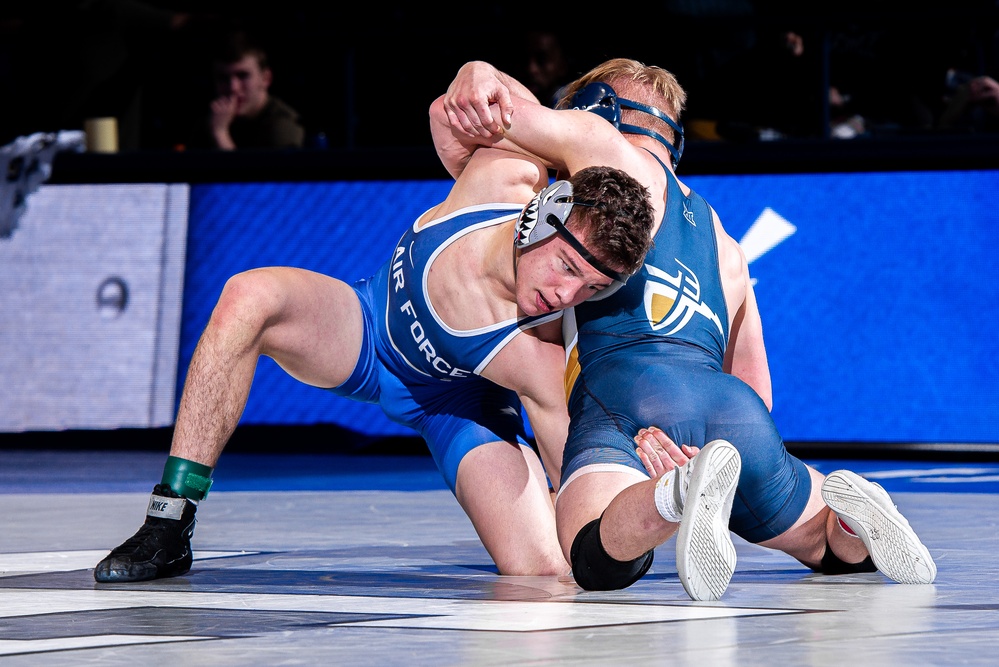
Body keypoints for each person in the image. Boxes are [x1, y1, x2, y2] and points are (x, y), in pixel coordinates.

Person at [434, 57, 937, 600]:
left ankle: (672, 496)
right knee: (823, 548)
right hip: (733, 411)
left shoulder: (600, 150)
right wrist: (726, 446)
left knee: (590, 553)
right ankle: (846, 520)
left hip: (624, 392)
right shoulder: (727, 246)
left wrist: (474, 73)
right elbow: (754, 386)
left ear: (598, 111)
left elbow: (482, 120)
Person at [92, 133, 656, 580]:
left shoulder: (536, 356)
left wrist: (641, 515)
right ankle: (169, 522)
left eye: (590, 288)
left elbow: (583, 505)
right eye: (566, 267)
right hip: (366, 328)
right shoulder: (499, 178)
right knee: (249, 296)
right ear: (542, 217)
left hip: (457, 407)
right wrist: (475, 75)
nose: (565, 296)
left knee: (544, 567)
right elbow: (451, 108)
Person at [196, 28, 305, 150]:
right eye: (223, 78)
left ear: (265, 79)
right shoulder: (211, 120)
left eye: (243, 76)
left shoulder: (282, 125)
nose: (233, 87)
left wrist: (220, 134)